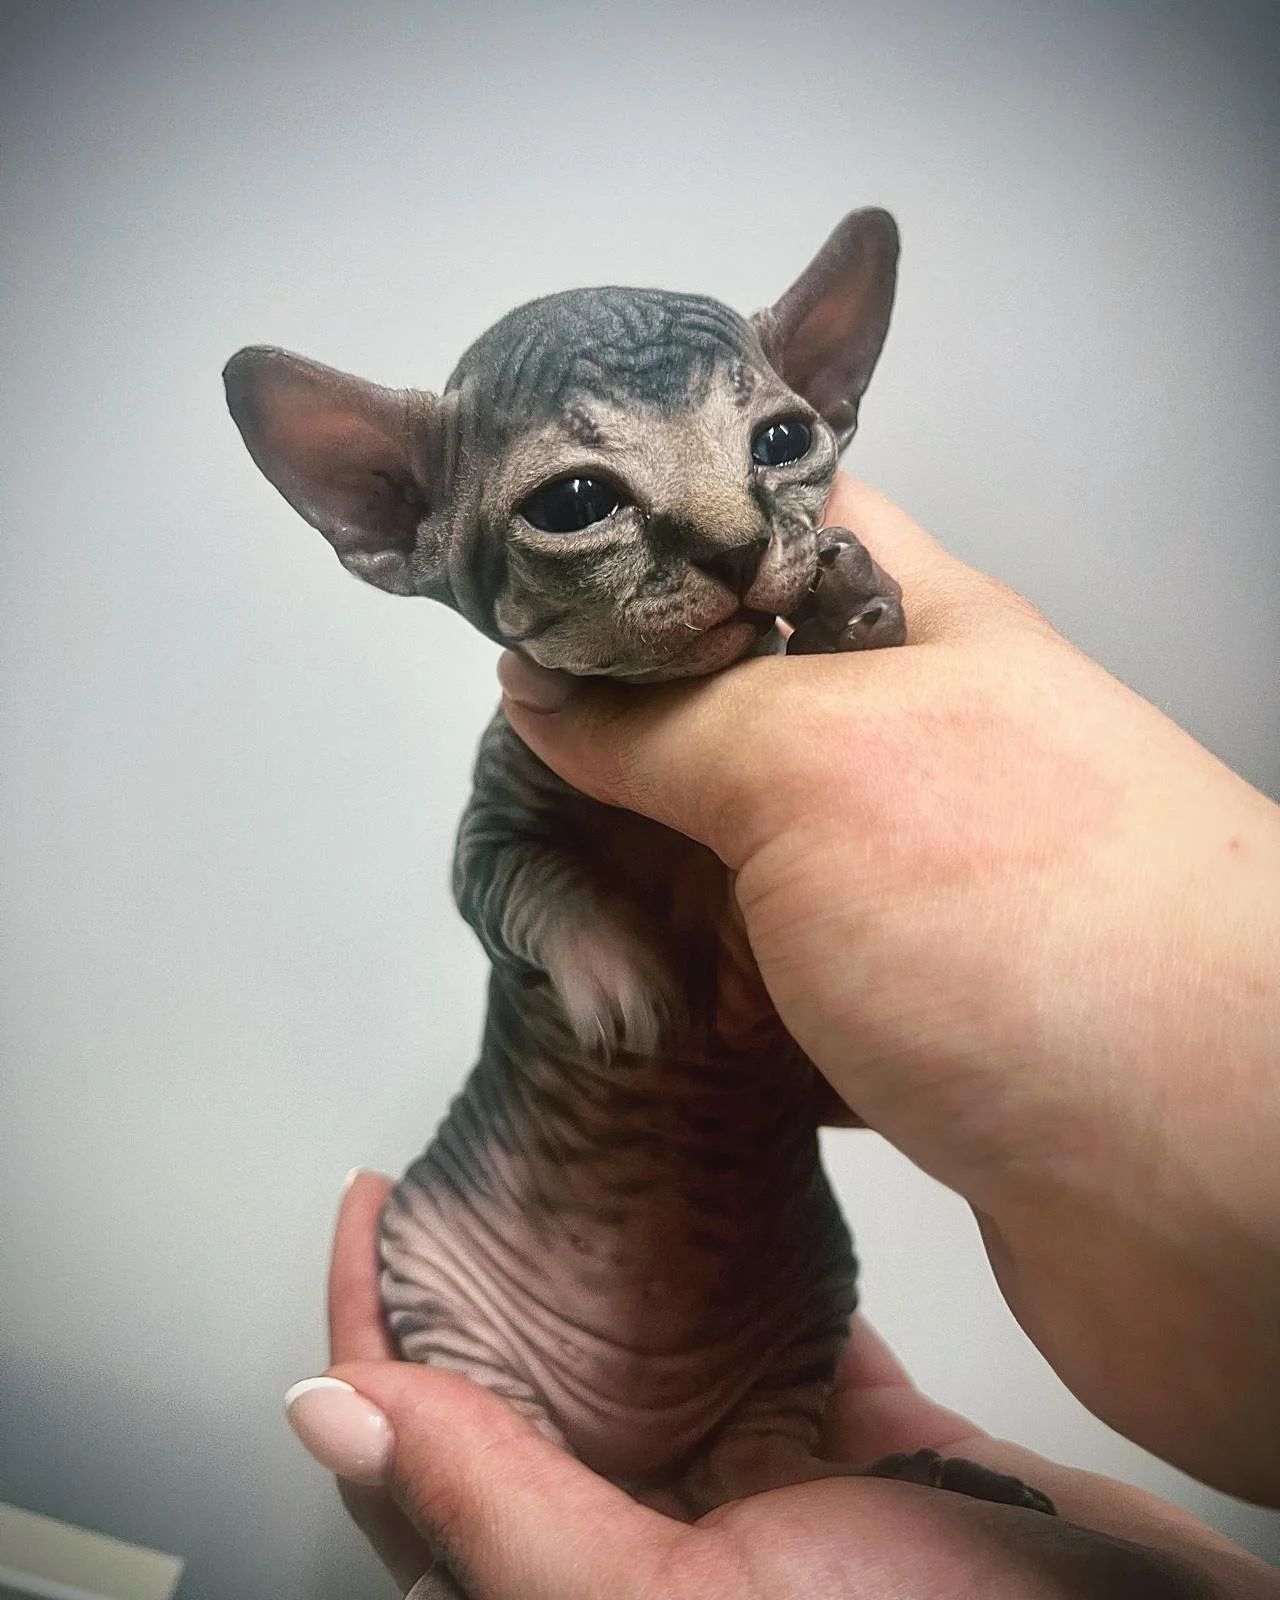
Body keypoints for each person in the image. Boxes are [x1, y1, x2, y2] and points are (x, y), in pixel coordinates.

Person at [286, 477, 1280, 1597]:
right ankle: (593, 1447)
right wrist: (571, 928)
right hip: (502, 1269)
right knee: (432, 1274)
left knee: (807, 1294)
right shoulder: (530, 741)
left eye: (767, 445)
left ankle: (760, 1453)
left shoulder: (792, 723)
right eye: (576, 502)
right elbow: (495, 860)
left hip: (748, 1287)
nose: (705, 537)